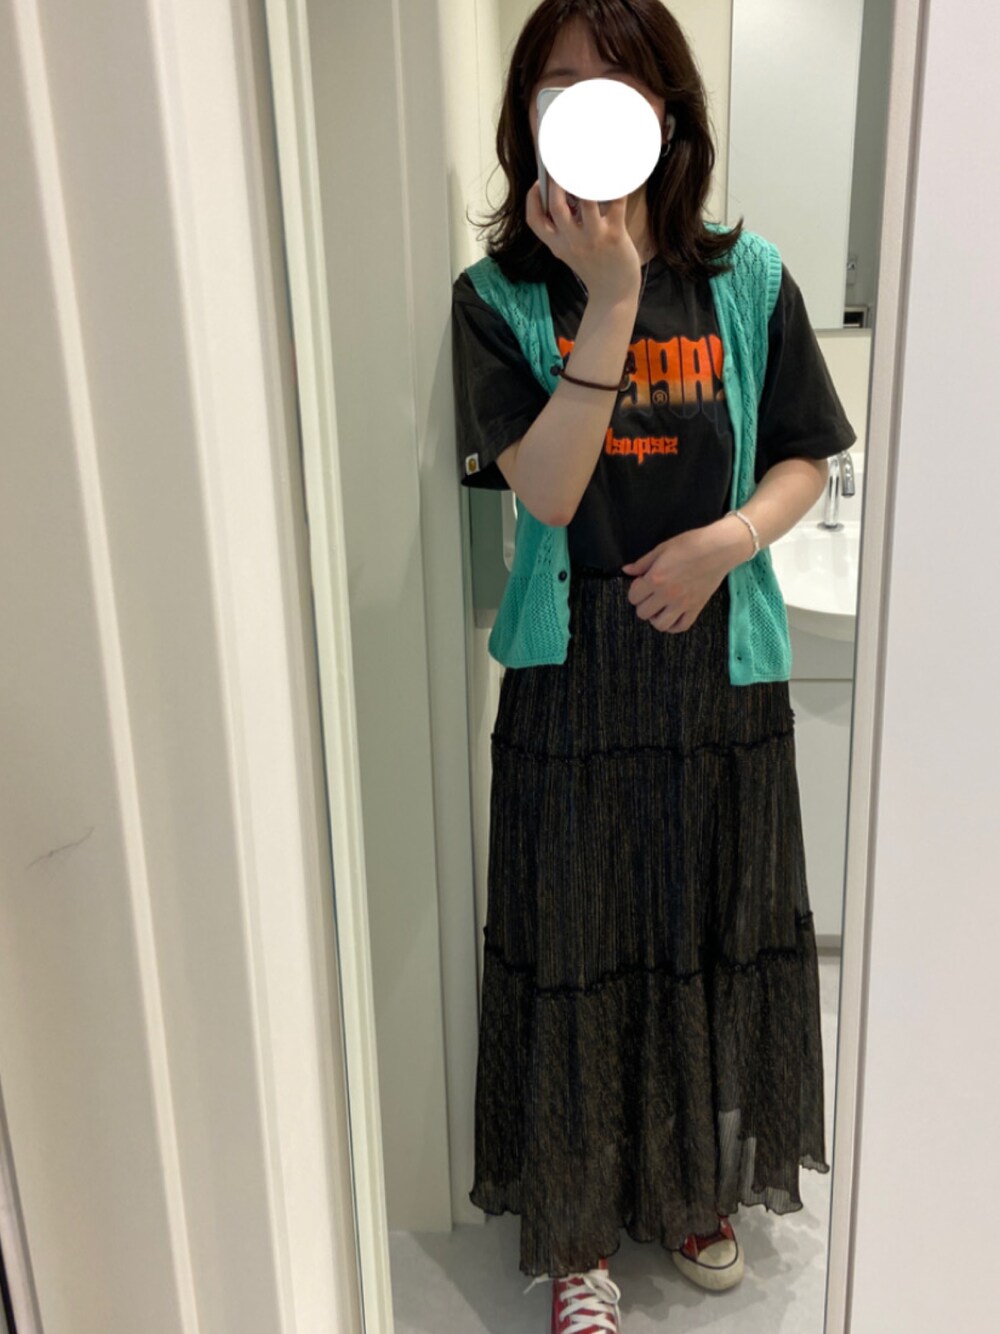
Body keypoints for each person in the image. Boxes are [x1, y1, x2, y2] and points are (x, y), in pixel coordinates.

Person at [451, 2, 853, 1329]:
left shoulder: (750, 279)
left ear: (667, 113)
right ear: (527, 115)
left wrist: (723, 545)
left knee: (707, 943)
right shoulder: (498, 299)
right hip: (573, 676)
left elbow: (803, 455)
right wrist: (613, 297)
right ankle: (579, 1236)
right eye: (561, 82)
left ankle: (694, 1185)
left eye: (620, 83)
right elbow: (549, 493)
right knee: (580, 945)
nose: (590, 104)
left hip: (715, 674)